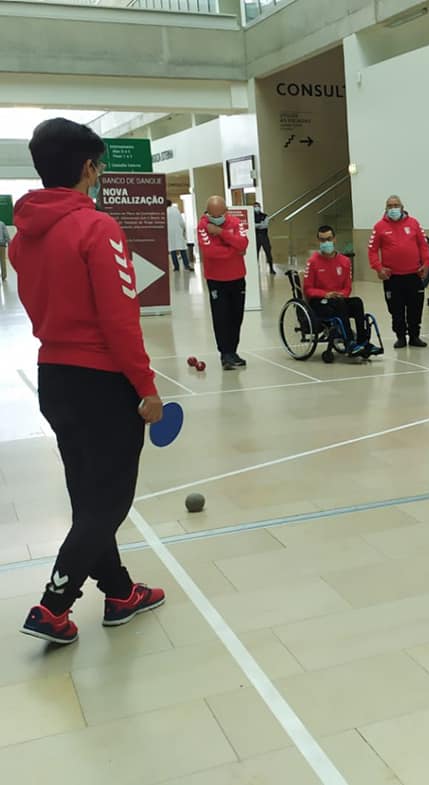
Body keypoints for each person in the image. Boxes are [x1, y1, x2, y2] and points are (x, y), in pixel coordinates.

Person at [10, 117, 165, 645]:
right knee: (109, 502)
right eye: (97, 165)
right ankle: (53, 606)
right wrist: (146, 387)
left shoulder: (22, 237)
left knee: (87, 496)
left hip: (54, 379)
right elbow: (119, 320)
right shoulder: (98, 228)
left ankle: (120, 593)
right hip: (103, 383)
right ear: (88, 168)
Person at [304, 225, 381, 357]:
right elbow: (308, 289)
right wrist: (325, 294)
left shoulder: (344, 261)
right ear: (318, 241)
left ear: (334, 239)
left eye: (329, 239)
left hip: (339, 299)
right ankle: (349, 342)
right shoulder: (312, 262)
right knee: (339, 304)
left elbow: (347, 287)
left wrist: (342, 294)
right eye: (322, 240)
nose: (326, 243)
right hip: (320, 302)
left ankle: (363, 341)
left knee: (356, 302)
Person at [368, 195, 429, 348]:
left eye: (396, 205)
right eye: (390, 206)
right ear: (386, 209)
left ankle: (415, 336)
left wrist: (426, 264)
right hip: (392, 278)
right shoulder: (379, 227)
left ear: (402, 207)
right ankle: (400, 337)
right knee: (396, 309)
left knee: (415, 308)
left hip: (414, 275)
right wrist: (378, 268)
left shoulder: (414, 223)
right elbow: (372, 250)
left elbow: (423, 245)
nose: (393, 209)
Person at [198, 196, 249, 370]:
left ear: (226, 212)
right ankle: (225, 354)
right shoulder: (203, 226)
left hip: (237, 278)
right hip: (216, 280)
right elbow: (210, 252)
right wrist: (234, 250)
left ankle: (233, 352)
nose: (216, 218)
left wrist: (221, 233)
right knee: (221, 317)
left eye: (219, 215)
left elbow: (243, 243)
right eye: (212, 215)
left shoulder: (235, 222)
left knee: (236, 316)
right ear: (207, 213)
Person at [166, 199, 192, 272]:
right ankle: (186, 265)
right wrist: (184, 229)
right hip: (178, 231)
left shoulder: (165, 211)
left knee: (172, 250)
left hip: (169, 232)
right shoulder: (175, 210)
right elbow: (181, 221)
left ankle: (176, 267)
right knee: (182, 249)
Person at [253, 201, 275, 275]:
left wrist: (256, 225)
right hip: (256, 237)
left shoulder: (265, 216)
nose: (256, 208)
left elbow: (265, 225)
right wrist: (260, 224)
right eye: (255, 207)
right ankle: (255, 269)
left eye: (257, 206)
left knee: (268, 252)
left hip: (264, 237)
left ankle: (271, 269)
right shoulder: (251, 216)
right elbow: (252, 225)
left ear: (260, 207)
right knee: (255, 254)